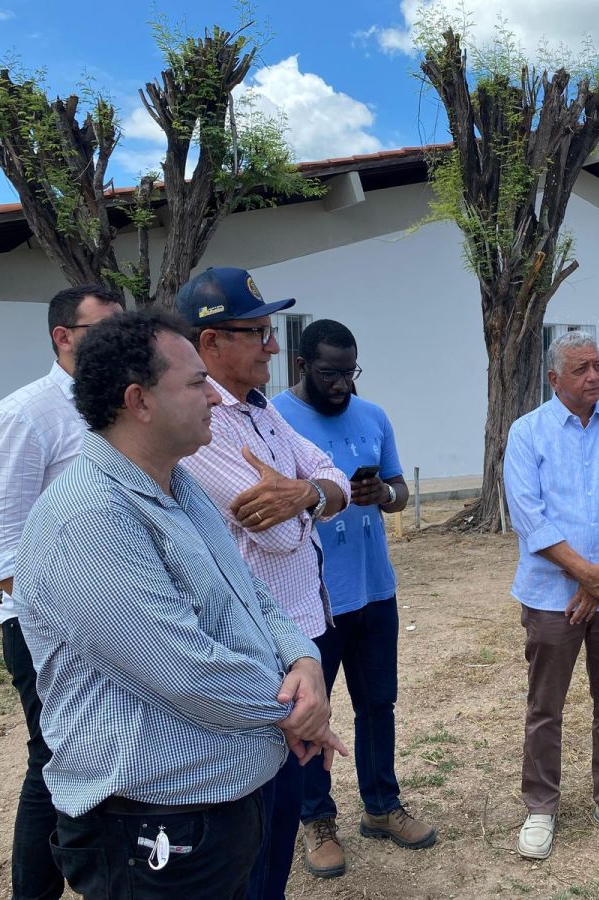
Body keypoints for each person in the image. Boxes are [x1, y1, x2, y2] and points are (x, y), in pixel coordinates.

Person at [12, 310, 346, 900]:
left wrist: (306, 663)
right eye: (196, 384)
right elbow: (181, 669)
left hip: (218, 796)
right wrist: (297, 710)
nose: (214, 400)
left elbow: (253, 595)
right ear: (139, 401)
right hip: (149, 821)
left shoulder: (175, 483)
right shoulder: (87, 516)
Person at [174, 267, 351, 900]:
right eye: (257, 333)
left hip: (307, 626)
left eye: (271, 331)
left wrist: (304, 493)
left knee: (284, 796)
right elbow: (274, 534)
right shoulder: (202, 427)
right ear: (209, 343)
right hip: (263, 648)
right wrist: (313, 499)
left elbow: (333, 478)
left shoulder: (263, 409)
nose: (272, 347)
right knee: (259, 806)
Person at [0, 284, 124, 900]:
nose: (120, 344)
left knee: (103, 761)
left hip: (120, 621)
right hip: (45, 628)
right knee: (52, 763)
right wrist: (70, 611)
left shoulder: (117, 405)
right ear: (63, 338)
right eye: (103, 333)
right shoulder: (24, 416)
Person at [272, 318, 436, 878]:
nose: (342, 384)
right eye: (329, 373)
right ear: (301, 366)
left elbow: (400, 490)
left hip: (374, 590)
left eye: (350, 372)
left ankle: (382, 807)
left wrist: (382, 492)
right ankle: (316, 821)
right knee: (312, 712)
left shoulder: (374, 416)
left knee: (378, 705)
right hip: (311, 599)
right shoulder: (274, 420)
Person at [503, 330, 599, 860]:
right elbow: (528, 516)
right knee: (546, 705)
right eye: (581, 368)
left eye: (598, 365)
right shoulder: (527, 434)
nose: (594, 376)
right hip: (551, 596)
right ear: (554, 378)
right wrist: (585, 576)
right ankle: (541, 805)